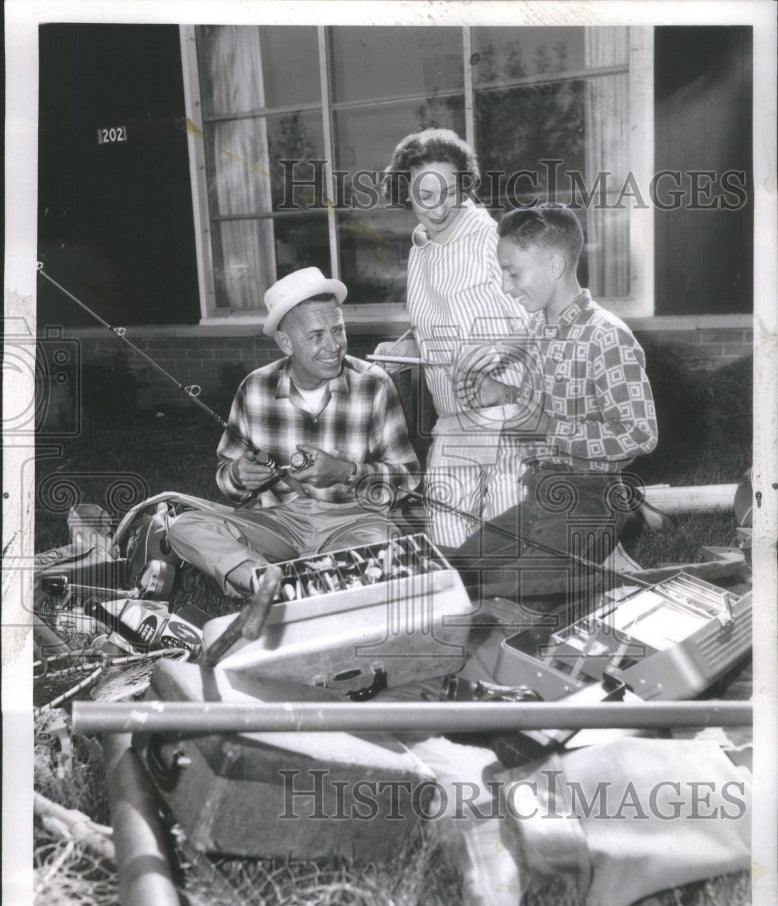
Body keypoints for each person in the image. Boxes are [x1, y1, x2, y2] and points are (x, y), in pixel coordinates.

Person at [446, 203, 658, 602]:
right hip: (541, 496)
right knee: (451, 574)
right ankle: (578, 587)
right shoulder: (539, 327)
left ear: (556, 265)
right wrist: (498, 394)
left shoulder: (606, 336)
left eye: (513, 273)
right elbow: (538, 412)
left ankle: (586, 591)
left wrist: (545, 426)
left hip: (590, 501)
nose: (507, 287)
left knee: (503, 596)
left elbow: (639, 434)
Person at [168, 267, 420, 596]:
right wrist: (240, 476)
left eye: (338, 330)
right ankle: (265, 582)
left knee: (382, 541)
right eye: (316, 336)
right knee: (186, 526)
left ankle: (293, 584)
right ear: (286, 343)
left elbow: (409, 478)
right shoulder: (255, 388)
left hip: (354, 519)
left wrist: (347, 472)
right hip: (278, 522)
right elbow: (225, 477)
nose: (334, 346)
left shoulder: (374, 383)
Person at [377, 129, 529, 549]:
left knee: (504, 541)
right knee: (446, 535)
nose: (439, 206)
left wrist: (501, 371)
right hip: (452, 417)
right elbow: (437, 319)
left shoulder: (490, 239)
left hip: (507, 416)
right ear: (405, 192)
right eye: (425, 194)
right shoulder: (420, 250)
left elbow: (546, 320)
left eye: (449, 191)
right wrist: (408, 343)